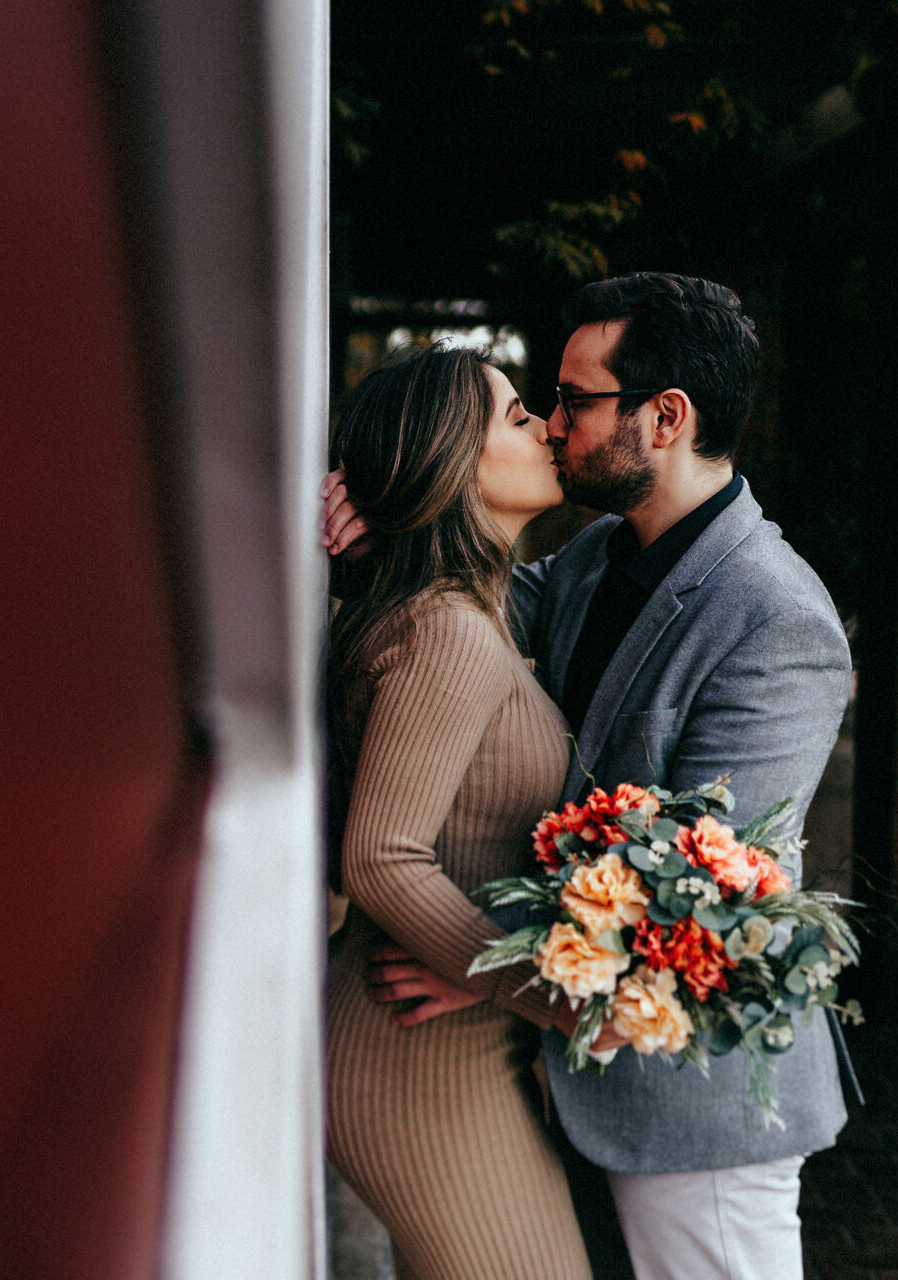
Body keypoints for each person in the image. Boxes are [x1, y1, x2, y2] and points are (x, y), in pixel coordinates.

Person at [323, 272, 852, 1280]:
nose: (556, 421)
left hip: (689, 1109)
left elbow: (708, 894)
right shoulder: (597, 555)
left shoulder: (776, 618)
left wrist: (484, 964)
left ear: (665, 416)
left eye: (574, 398)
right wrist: (377, 516)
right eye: (541, 405)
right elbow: (453, 600)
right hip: (545, 1074)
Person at [323, 343, 599, 1280]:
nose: (545, 427)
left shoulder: (458, 614)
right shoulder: (447, 629)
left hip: (450, 1050)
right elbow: (382, 860)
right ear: (453, 461)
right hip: (419, 1059)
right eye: (518, 416)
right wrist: (551, 994)